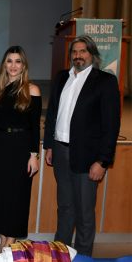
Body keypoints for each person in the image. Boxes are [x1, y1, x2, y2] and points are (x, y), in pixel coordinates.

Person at [43, 35, 120, 256]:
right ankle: (61, 254)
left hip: (88, 158)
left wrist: (103, 161)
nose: (78, 55)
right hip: (60, 152)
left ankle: (84, 257)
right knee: (65, 209)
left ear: (92, 54)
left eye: (83, 51)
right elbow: (52, 115)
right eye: (74, 52)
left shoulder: (105, 81)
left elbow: (111, 125)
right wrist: (50, 146)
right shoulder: (61, 78)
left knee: (85, 213)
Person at [0, 46, 41, 254]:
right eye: (9, 61)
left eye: (18, 61)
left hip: (20, 148)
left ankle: (10, 242)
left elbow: (35, 126)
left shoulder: (31, 90)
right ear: (4, 64)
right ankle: (2, 240)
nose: (13, 65)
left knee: (16, 197)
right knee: (0, 196)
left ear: (23, 65)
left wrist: (34, 155)